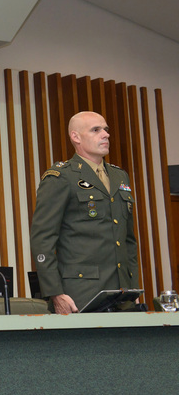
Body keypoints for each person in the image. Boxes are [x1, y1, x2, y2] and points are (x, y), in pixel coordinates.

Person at [30, 111, 138, 314]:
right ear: (76, 137)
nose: (105, 134)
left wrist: (133, 286)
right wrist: (55, 293)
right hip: (80, 294)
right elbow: (42, 239)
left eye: (106, 129)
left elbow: (128, 240)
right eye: (96, 130)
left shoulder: (120, 176)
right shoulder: (61, 177)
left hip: (122, 294)